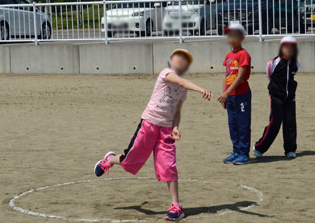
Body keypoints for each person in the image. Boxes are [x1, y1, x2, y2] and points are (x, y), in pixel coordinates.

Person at [93, 49, 213, 221]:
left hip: (166, 130)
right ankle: (110, 160)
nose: (180, 61)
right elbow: (180, 81)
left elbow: (177, 111)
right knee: (130, 160)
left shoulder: (183, 89)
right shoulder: (166, 74)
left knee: (168, 166)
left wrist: (176, 128)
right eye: (177, 57)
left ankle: (176, 206)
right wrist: (201, 89)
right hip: (149, 123)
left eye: (184, 60)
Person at [254, 36, 300, 159]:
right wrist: (276, 91)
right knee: (275, 122)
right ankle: (259, 147)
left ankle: (290, 150)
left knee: (290, 122)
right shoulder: (274, 62)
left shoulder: (295, 64)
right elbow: (270, 75)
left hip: (290, 97)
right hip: (276, 96)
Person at [218, 23, 252, 165]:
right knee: (233, 124)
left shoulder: (243, 54)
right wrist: (224, 94)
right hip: (230, 95)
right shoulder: (229, 55)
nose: (232, 39)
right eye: (230, 36)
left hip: (241, 94)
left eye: (235, 36)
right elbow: (227, 75)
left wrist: (227, 92)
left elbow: (240, 77)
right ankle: (236, 150)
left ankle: (244, 153)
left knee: (243, 123)